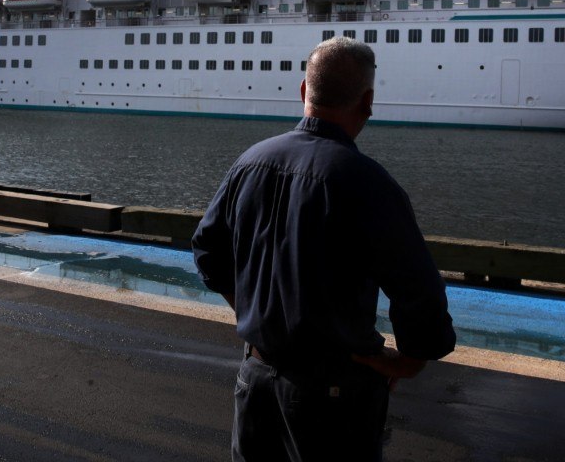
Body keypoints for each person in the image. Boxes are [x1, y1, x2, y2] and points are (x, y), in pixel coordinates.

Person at [191, 36, 456, 461]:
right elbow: (418, 289)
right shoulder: (368, 182)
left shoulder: (250, 162)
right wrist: (411, 359)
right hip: (333, 394)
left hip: (254, 379)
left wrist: (247, 310)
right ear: (367, 102)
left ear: (303, 91)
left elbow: (207, 250)